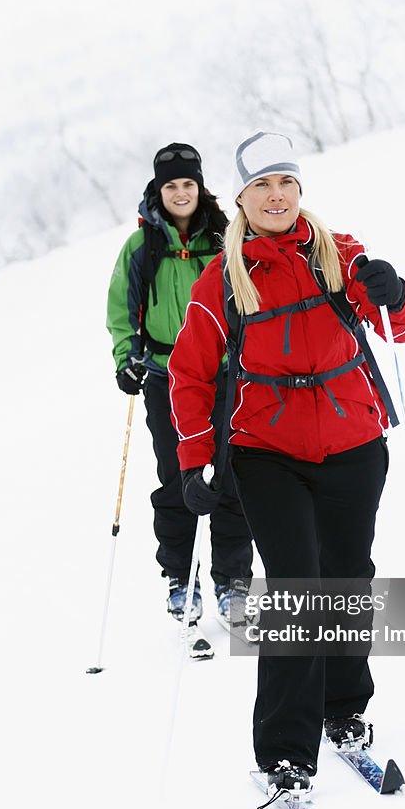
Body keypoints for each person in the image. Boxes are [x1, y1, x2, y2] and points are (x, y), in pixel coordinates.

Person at [168, 130, 405, 792]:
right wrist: (195, 460)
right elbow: (190, 375)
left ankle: (343, 711)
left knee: (345, 578)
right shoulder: (221, 279)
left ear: (299, 190)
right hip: (267, 453)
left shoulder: (338, 255)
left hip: (353, 445)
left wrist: (394, 293)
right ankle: (284, 749)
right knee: (295, 586)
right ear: (242, 197)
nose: (275, 195)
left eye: (285, 182)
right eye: (261, 186)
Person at [106, 143, 253, 658]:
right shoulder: (140, 246)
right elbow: (122, 309)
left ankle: (233, 580)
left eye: (188, 184)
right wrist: (127, 355)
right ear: (159, 191)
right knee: (179, 475)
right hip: (166, 373)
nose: (181, 193)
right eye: (171, 186)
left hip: (226, 375)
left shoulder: (225, 237)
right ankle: (179, 576)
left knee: (232, 473)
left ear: (199, 186)